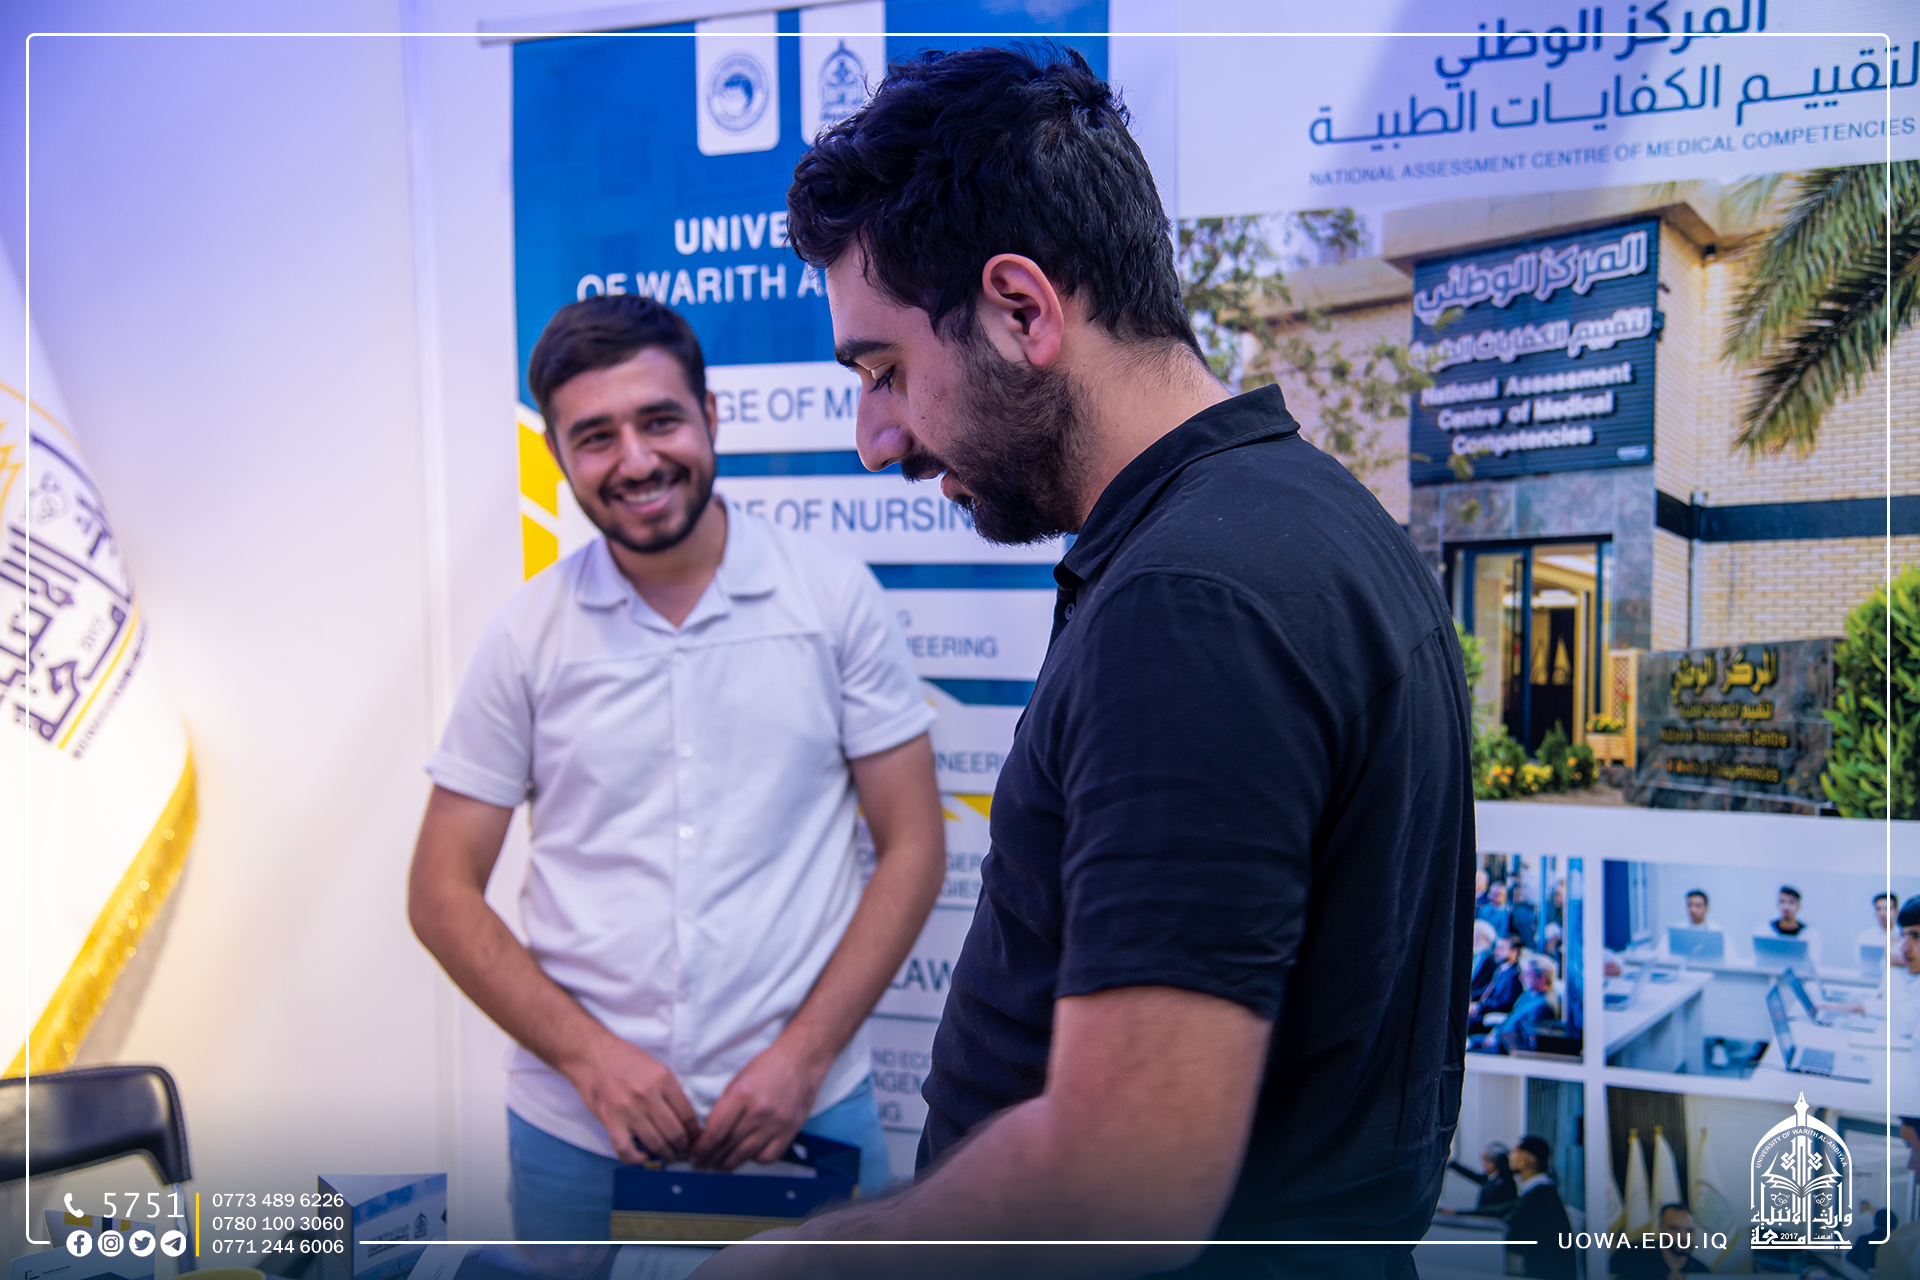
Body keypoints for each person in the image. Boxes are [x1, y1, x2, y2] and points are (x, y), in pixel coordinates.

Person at [700, 43, 1476, 1278]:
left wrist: (783, 1268)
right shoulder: (1305, 521)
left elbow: (1125, 1176)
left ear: (1023, 309)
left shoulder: (1192, 604)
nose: (873, 439)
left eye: (885, 371)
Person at [406, 296, 945, 1240]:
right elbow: (441, 892)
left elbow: (914, 847)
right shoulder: (527, 636)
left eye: (659, 421)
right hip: (579, 1136)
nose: (636, 461)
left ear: (710, 415)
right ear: (558, 453)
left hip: (810, 1112)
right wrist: (589, 1058)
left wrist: (803, 1057)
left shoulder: (832, 600)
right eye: (595, 437)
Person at [1504, 1137, 1574, 1279]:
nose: (1509, 1156)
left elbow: (1509, 1219)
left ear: (1524, 1161)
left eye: (1514, 1151)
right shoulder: (1540, 1191)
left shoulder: (1539, 1194)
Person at [1475, 956, 1557, 1054]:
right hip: (1497, 1038)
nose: (1521, 978)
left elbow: (1524, 1041)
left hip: (1506, 1050)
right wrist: (1495, 1033)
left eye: (1527, 975)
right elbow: (1511, 1017)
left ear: (1543, 980)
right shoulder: (1528, 994)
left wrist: (1497, 1039)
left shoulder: (1544, 1007)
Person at [1613, 1203, 1709, 1276]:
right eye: (1675, 1229)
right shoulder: (1629, 1255)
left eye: (1690, 1230)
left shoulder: (1701, 1271)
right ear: (1660, 1228)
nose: (1683, 1236)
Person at [1438, 1141, 1518, 1218]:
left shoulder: (1501, 1184)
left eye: (1484, 1159)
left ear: (1492, 1163)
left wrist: (1456, 1213)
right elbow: (1474, 1176)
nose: (1483, 1163)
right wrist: (1452, 1164)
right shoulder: (1495, 1179)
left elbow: (1490, 1212)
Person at [1469, 935, 1524, 1034]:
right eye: (1497, 948)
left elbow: (1505, 1003)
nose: (1496, 952)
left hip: (1491, 1017)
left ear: (1515, 952)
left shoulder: (1515, 976)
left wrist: (1480, 1007)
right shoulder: (1500, 970)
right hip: (1484, 1010)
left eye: (1501, 949)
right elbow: (1487, 991)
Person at [1468, 920, 1500, 1000]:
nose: (1474, 941)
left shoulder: (1490, 960)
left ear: (1486, 940)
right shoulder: (1476, 956)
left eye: (1477, 937)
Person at [1508, 880, 1540, 950]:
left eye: (1519, 894)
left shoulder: (1529, 910)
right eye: (1515, 895)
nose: (1517, 896)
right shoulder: (1513, 910)